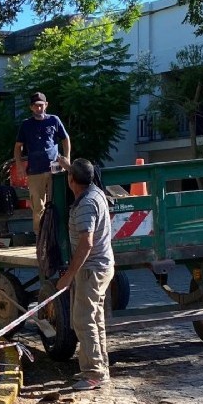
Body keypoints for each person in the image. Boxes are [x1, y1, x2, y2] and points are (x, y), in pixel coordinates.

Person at [55, 157, 115, 391]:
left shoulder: (85, 205)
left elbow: (86, 244)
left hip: (91, 270)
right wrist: (67, 165)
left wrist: (69, 275)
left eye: (70, 174)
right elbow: (80, 174)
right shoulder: (96, 191)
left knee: (83, 320)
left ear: (71, 181)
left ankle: (92, 374)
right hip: (102, 267)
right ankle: (101, 369)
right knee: (95, 318)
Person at [14, 92, 71, 235]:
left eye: (41, 105)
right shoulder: (26, 124)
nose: (39, 108)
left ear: (46, 105)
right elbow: (18, 146)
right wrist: (20, 165)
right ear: (31, 108)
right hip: (35, 171)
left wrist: (67, 158)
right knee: (38, 206)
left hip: (54, 169)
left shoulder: (54, 120)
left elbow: (65, 139)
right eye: (36, 106)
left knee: (58, 202)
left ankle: (60, 234)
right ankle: (41, 237)